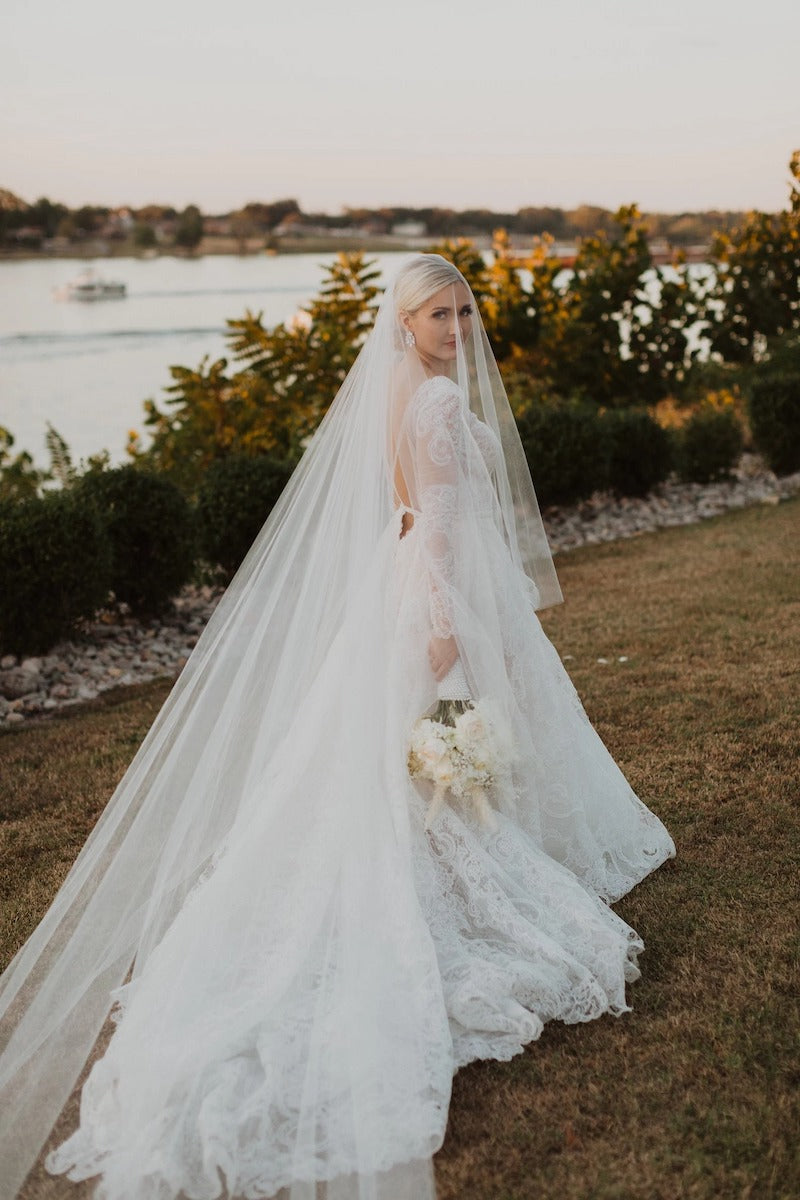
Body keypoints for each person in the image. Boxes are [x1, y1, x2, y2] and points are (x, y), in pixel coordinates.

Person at [0, 254, 675, 1200]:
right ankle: (458, 862)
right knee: (433, 752)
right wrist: (449, 633)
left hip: (402, 586)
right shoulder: (434, 399)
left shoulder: (400, 384)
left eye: (463, 312)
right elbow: (437, 523)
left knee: (379, 762)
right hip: (437, 597)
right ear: (403, 322)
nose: (456, 329)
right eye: (438, 315)